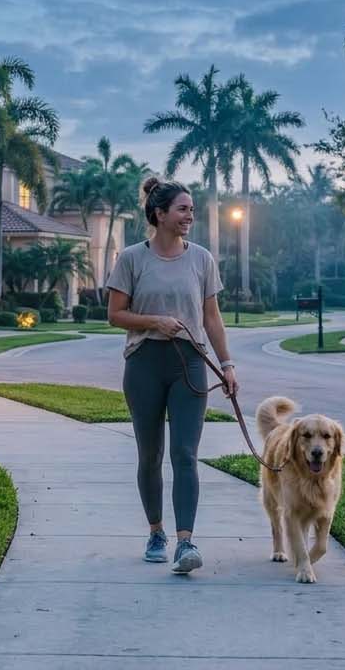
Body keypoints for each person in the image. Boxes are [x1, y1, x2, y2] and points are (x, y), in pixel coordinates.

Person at [106, 177, 239, 574]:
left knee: (185, 454)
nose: (190, 216)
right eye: (183, 209)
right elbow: (115, 315)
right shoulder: (132, 258)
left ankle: (185, 542)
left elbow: (212, 320)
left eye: (192, 209)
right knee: (151, 455)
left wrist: (228, 365)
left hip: (191, 364)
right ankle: (156, 532)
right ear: (159, 214)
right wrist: (155, 322)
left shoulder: (201, 259)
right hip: (144, 363)